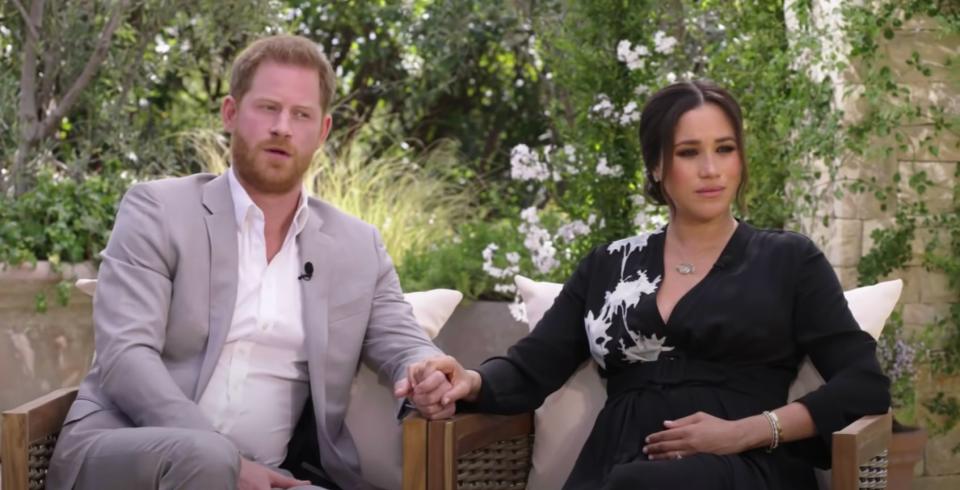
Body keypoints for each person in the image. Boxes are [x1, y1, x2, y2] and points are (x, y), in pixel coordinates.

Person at [407, 80, 891, 489]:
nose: (710, 169)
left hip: (745, 468)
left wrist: (748, 432)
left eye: (725, 149)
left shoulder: (788, 260)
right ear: (657, 167)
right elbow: (531, 368)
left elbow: (863, 384)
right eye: (688, 152)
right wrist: (468, 381)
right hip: (618, 465)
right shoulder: (608, 266)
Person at [46, 34, 453, 490]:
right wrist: (230, 464)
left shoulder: (357, 246)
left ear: (322, 132)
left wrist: (426, 369)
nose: (283, 127)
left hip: (273, 477)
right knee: (207, 459)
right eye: (268, 108)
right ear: (231, 113)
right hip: (131, 455)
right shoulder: (158, 210)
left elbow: (402, 341)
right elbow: (126, 356)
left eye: (301, 115)